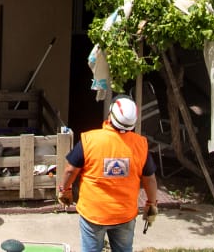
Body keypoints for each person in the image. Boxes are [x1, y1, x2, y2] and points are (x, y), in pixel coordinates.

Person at [58, 95, 159, 252]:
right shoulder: (141, 145)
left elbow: (70, 170)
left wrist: (64, 190)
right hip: (125, 214)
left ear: (110, 114)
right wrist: (151, 204)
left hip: (94, 214)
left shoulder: (89, 140)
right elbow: (150, 179)